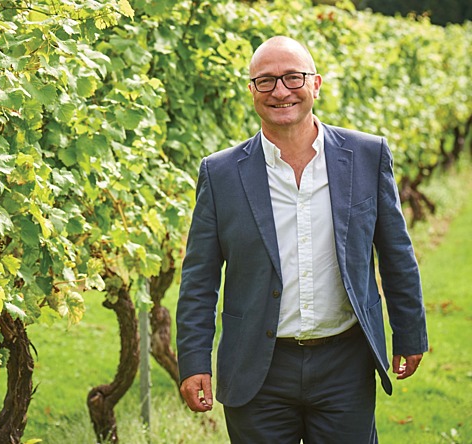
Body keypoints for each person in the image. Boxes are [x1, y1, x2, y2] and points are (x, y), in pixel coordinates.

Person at [176, 36, 428, 443]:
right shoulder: (220, 174)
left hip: (345, 363)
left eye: (293, 77)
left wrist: (410, 332)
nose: (280, 91)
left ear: (316, 84)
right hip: (256, 366)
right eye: (266, 81)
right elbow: (199, 279)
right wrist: (193, 360)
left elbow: (396, 253)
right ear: (251, 91)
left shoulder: (367, 155)